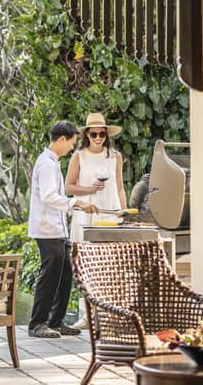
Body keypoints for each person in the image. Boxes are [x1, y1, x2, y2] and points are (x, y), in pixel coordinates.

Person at [27, 122, 98, 339]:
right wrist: (76, 203)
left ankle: (56, 322)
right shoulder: (47, 164)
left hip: (57, 229)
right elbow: (49, 196)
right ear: (62, 140)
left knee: (65, 273)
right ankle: (37, 323)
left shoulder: (52, 162)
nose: (71, 148)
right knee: (49, 276)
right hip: (47, 229)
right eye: (71, 143)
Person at [65, 113, 127, 329]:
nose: (99, 137)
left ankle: (108, 312)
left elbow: (119, 186)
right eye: (94, 134)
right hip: (86, 214)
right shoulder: (78, 156)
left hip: (109, 214)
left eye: (102, 133)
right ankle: (87, 314)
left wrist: (124, 212)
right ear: (87, 135)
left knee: (109, 264)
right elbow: (68, 187)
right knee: (85, 264)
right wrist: (89, 189)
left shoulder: (115, 156)